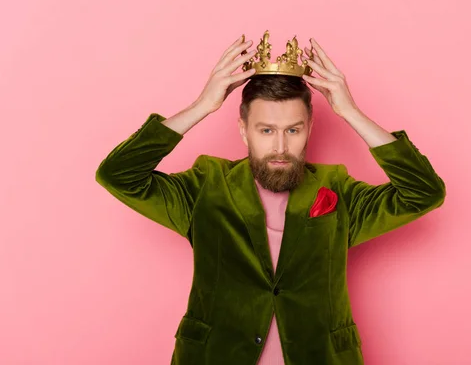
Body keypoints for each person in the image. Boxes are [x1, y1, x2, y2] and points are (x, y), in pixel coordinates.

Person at [95, 34, 446, 365]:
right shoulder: (206, 185)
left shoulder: (337, 189)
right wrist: (202, 106)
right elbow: (118, 174)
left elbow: (424, 192)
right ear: (243, 131)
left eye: (292, 130)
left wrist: (350, 112)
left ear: (309, 127)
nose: (280, 147)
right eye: (266, 130)